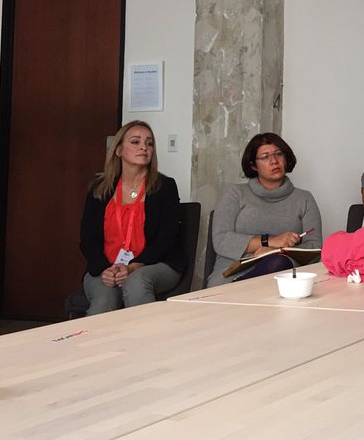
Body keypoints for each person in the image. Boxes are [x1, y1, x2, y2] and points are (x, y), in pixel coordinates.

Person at [80, 120, 184, 315]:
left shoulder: (165, 186)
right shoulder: (99, 189)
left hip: (154, 265)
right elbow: (88, 239)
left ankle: (145, 335)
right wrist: (105, 269)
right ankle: (96, 337)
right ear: (119, 150)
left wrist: (134, 266)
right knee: (104, 299)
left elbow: (168, 237)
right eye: (135, 142)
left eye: (149, 143)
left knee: (137, 282)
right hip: (106, 268)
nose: (144, 147)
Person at [207, 132, 323, 287]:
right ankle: (236, 292)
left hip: (283, 276)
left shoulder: (304, 198)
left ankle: (240, 293)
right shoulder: (235, 194)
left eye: (278, 154)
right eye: (265, 157)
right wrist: (270, 241)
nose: (274, 161)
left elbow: (315, 248)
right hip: (234, 274)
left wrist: (277, 251)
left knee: (276, 263)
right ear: (253, 165)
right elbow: (221, 239)